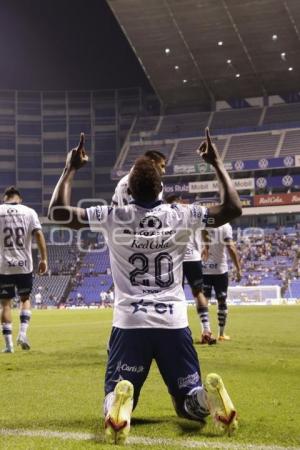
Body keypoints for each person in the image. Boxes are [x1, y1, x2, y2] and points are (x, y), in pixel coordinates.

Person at [48, 129, 242, 444]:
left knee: (115, 392)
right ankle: (204, 399)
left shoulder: (113, 215)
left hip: (130, 322)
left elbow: (57, 212)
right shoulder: (182, 214)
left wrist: (70, 168)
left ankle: (119, 406)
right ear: (161, 188)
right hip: (173, 323)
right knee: (184, 404)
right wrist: (217, 163)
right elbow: (232, 210)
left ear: (130, 190)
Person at [0, 187, 48, 353]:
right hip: (24, 265)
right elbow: (39, 235)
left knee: (5, 303)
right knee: (25, 298)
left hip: (3, 266)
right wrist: (44, 259)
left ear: (4, 198)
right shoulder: (29, 212)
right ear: (19, 198)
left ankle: (8, 346)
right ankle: (22, 334)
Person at [166, 195, 216, 345]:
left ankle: (179, 332)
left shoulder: (166, 212)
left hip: (176, 259)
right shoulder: (192, 211)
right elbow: (207, 225)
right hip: (193, 257)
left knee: (176, 294)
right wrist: (206, 246)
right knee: (198, 292)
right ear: (181, 200)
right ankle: (206, 329)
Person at [202, 224, 242, 341]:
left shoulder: (202, 224)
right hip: (220, 270)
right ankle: (221, 334)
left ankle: (206, 332)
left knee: (204, 302)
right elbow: (230, 247)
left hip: (204, 269)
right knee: (222, 301)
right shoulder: (225, 226)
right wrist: (238, 268)